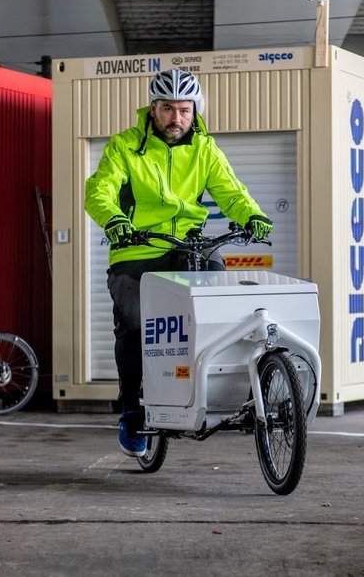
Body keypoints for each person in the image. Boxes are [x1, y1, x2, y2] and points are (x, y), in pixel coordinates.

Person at [84, 69, 273, 457]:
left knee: (227, 309)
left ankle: (226, 391)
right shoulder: (125, 147)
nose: (176, 118)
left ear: (195, 110)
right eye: (167, 108)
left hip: (192, 246)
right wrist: (115, 220)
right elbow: (99, 190)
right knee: (136, 323)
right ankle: (132, 411)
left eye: (184, 110)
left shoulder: (205, 149)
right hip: (138, 248)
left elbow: (230, 191)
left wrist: (252, 214)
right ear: (152, 109)